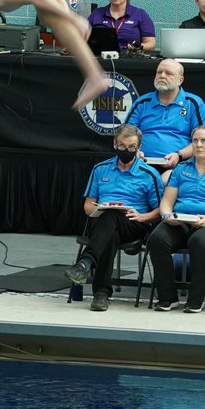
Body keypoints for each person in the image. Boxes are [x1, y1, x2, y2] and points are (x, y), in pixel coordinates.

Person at [64, 124, 163, 311]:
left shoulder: (149, 174)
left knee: (111, 219)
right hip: (103, 222)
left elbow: (160, 211)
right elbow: (87, 206)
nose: (127, 150)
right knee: (110, 227)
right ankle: (101, 293)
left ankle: (86, 264)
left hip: (134, 223)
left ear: (139, 148)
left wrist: (143, 216)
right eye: (123, 146)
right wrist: (99, 209)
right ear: (115, 144)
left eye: (132, 147)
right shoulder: (100, 169)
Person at [146, 125, 205, 313]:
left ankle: (196, 299)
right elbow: (167, 201)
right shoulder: (181, 169)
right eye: (195, 140)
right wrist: (167, 216)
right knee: (157, 239)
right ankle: (168, 297)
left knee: (199, 241)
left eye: (204, 140)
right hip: (181, 220)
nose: (198, 144)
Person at [126, 58, 205, 182]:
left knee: (166, 180)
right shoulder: (142, 102)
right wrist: (135, 151)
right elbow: (125, 134)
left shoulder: (193, 103)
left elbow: (204, 140)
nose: (162, 76)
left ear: (180, 80)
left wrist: (179, 155)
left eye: (169, 73)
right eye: (159, 72)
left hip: (181, 164)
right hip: (142, 163)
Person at [87, 0, 155, 51]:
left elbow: (151, 43)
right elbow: (82, 39)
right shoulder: (96, 14)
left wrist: (138, 46)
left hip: (129, 56)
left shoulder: (140, 14)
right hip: (101, 56)